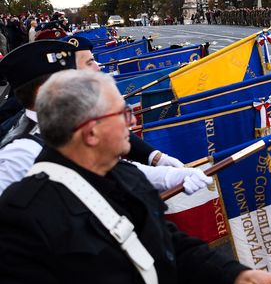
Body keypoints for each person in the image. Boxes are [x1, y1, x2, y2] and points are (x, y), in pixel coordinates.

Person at [0, 70, 271, 284]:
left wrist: (235, 277)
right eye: (122, 114)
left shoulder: (126, 177)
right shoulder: (21, 217)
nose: (131, 124)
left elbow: (168, 246)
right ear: (91, 133)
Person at [0, 40, 210, 196]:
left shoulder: (73, 124)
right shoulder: (19, 154)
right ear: (44, 92)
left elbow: (116, 169)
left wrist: (168, 176)